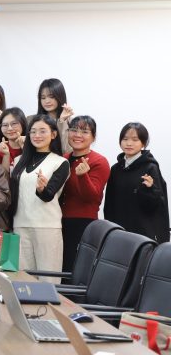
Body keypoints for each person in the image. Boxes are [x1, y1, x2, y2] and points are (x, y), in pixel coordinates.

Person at [9, 114, 69, 281]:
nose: (37, 135)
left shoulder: (60, 162)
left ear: (53, 134)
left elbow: (48, 195)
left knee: (48, 280)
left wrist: (42, 189)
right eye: (33, 131)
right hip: (20, 224)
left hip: (47, 227)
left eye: (43, 131)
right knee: (22, 279)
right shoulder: (18, 161)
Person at [104, 122, 169, 243]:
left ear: (143, 143)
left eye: (135, 140)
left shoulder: (150, 167)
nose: (129, 143)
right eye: (125, 139)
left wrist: (150, 189)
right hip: (118, 232)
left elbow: (158, 206)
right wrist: (109, 229)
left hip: (142, 234)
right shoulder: (116, 169)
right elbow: (109, 203)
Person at [61, 116, 110, 272]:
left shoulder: (99, 161)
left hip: (82, 224)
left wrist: (83, 176)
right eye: (74, 130)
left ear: (93, 137)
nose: (78, 135)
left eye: (84, 131)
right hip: (58, 221)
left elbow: (92, 197)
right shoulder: (64, 158)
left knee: (73, 270)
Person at [33, 78, 74, 154]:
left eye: (51, 97)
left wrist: (62, 121)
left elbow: (66, 150)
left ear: (60, 96)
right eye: (43, 98)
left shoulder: (71, 122)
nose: (47, 101)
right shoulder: (31, 120)